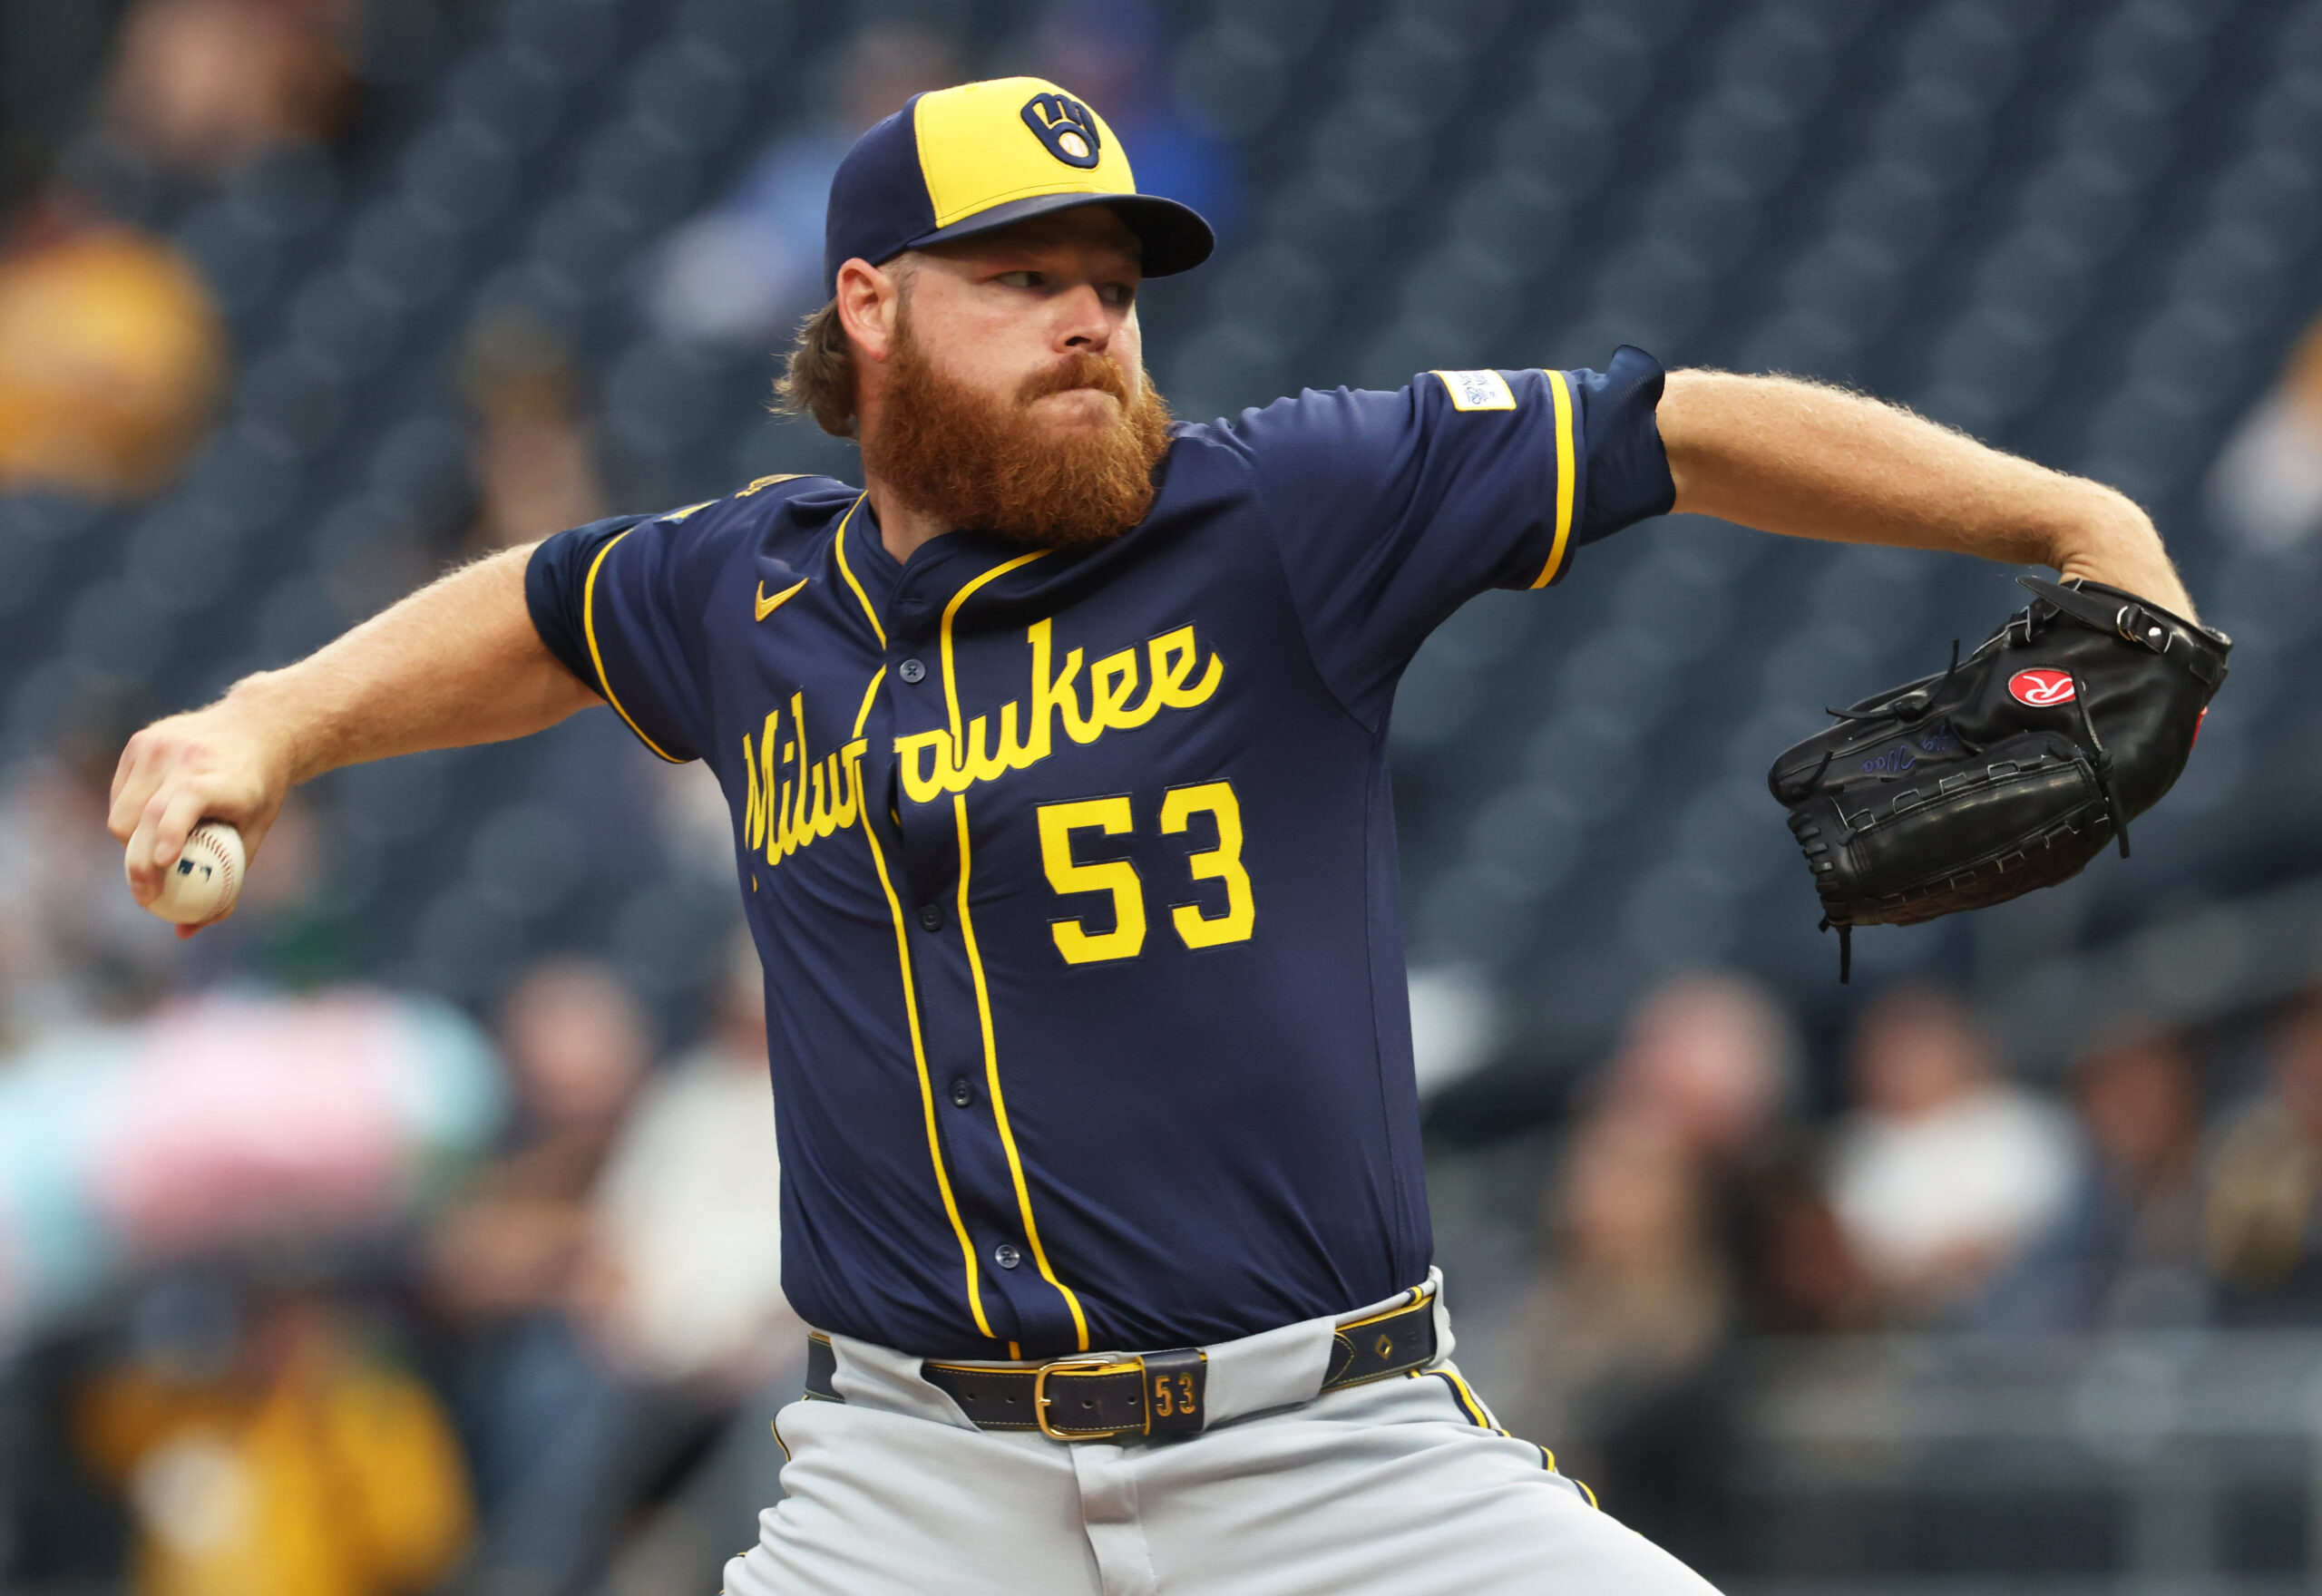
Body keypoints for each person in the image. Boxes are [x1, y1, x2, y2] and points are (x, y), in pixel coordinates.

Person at [109, 75, 2197, 1596]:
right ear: (868, 307)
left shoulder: (1281, 513)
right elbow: (539, 607)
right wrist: (269, 720)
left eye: (1113, 280)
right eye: (1022, 278)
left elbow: (1682, 424)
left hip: (1332, 1456)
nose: (1091, 321)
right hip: (910, 1486)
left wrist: (2067, 523)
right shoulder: (739, 595)